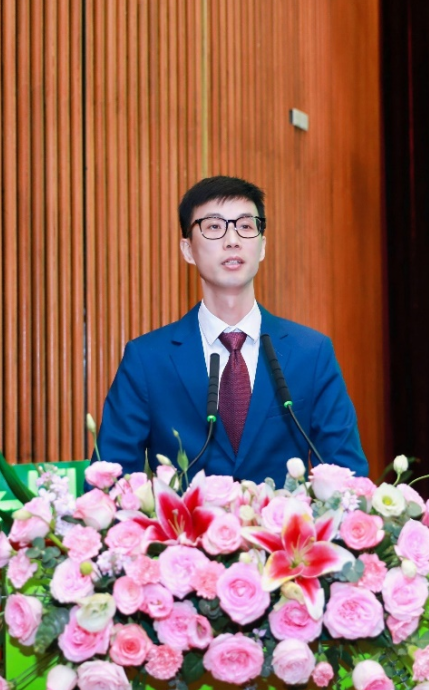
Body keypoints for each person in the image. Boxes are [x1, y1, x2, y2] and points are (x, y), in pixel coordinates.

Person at [97, 176, 368, 484]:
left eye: (246, 226)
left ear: (262, 246)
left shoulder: (311, 353)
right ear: (187, 249)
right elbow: (108, 480)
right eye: (214, 227)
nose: (232, 240)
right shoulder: (147, 359)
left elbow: (348, 478)